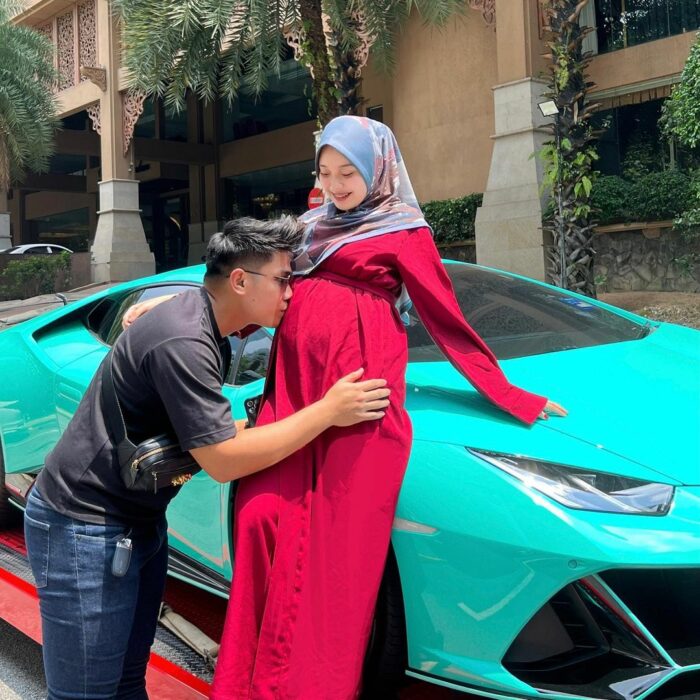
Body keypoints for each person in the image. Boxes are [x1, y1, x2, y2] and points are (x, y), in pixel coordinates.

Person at [127, 116, 567, 699]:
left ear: (378, 168)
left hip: (358, 404)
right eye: (326, 172)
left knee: (335, 560)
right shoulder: (306, 229)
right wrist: (163, 307)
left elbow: (446, 321)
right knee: (267, 524)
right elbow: (237, 281)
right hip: (294, 397)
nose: (335, 186)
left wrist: (514, 396)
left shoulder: (405, 230)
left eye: (348, 173)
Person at [23, 215, 391, 700]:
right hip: (84, 528)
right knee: (86, 695)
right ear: (240, 280)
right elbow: (222, 460)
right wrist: (327, 412)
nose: (290, 293)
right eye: (283, 279)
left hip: (135, 525)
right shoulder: (186, 338)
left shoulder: (204, 318)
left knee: (128, 682)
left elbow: (213, 434)